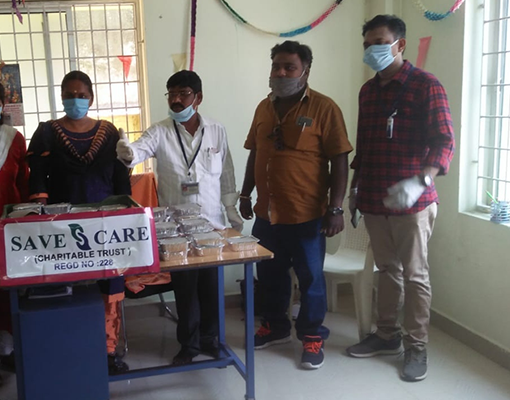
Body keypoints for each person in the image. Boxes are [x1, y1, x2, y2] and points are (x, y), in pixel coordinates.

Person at [345, 15, 455, 382]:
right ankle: (387, 335)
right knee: (387, 270)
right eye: (367, 44)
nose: (371, 50)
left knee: (415, 274)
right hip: (376, 198)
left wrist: (421, 180)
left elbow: (444, 141)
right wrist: (356, 189)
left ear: (400, 45)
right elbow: (364, 146)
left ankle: (416, 346)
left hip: (415, 202)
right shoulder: (368, 91)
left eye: (379, 42)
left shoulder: (426, 85)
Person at [116, 70, 243, 365]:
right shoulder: (159, 131)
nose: (176, 99)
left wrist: (231, 208)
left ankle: (211, 340)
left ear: (198, 98)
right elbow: (138, 151)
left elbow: (226, 172)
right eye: (171, 93)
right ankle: (188, 345)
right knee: (185, 290)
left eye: (183, 93)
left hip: (212, 225)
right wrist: (126, 152)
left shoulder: (216, 130)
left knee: (211, 287)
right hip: (177, 230)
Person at [239, 40, 352, 370]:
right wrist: (245, 194)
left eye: (290, 67)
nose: (281, 73)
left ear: (305, 71)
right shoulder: (263, 107)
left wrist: (335, 208)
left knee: (311, 280)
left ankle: (312, 335)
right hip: (267, 213)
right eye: (276, 66)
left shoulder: (324, 108)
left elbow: (340, 159)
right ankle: (276, 327)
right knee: (269, 274)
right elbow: (256, 153)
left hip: (307, 214)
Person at [26, 70, 132, 374]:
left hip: (105, 223)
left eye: (81, 95)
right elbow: (37, 176)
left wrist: (125, 212)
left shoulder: (109, 133)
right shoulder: (46, 132)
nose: (76, 100)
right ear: (61, 98)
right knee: (65, 285)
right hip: (61, 225)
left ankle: (107, 350)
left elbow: (121, 175)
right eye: (70, 95)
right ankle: (69, 350)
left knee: (109, 283)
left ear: (91, 98)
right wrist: (40, 215)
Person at [0, 82, 29, 378]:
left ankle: (6, 349)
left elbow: (24, 184)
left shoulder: (14, 139)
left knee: (7, 289)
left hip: (7, 228)